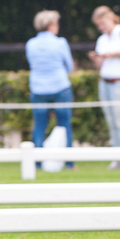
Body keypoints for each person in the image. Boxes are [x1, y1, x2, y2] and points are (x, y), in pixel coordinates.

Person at [25, 10, 76, 170]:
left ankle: (37, 163)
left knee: (39, 126)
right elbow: (69, 66)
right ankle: (69, 163)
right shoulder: (60, 42)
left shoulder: (30, 44)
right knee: (64, 124)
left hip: (38, 89)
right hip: (60, 87)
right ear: (50, 25)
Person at [88, 5, 120, 169]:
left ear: (110, 18)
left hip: (118, 82)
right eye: (98, 25)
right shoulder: (102, 39)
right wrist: (96, 58)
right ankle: (116, 156)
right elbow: (101, 65)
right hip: (105, 82)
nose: (101, 28)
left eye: (102, 23)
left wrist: (112, 54)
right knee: (112, 122)